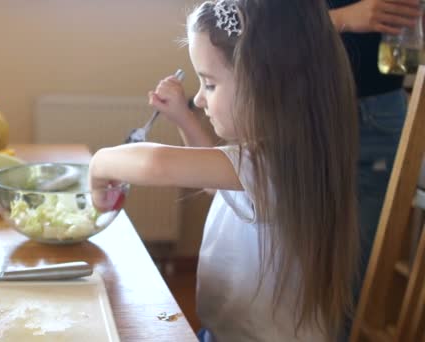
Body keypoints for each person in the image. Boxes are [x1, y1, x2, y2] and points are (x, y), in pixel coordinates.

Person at [88, 0, 360, 341]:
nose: (200, 99)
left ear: (266, 84)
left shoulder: (270, 164)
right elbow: (222, 188)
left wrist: (99, 165)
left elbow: (155, 164)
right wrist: (184, 119)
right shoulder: (293, 153)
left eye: (210, 84)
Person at [328, 0, 421, 297]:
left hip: (382, 110)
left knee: (355, 281)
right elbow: (259, 27)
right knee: (300, 269)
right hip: (306, 110)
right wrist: (344, 18)